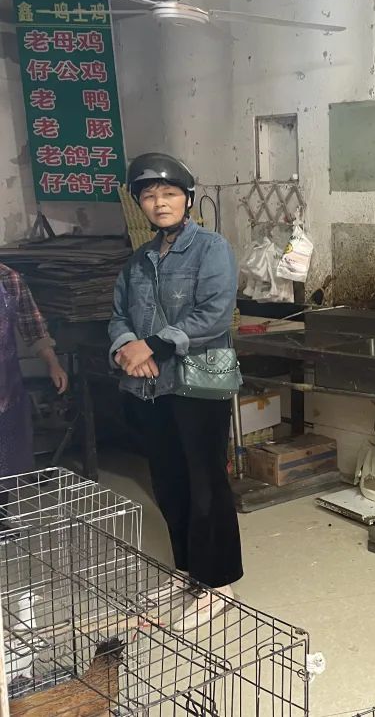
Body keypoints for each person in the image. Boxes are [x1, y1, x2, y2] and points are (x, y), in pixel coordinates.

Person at [108, 152, 242, 632]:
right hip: (151, 387)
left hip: (199, 384)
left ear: (187, 199)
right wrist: (126, 348)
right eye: (149, 196)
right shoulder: (138, 261)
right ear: (140, 204)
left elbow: (214, 314)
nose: (159, 203)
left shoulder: (211, 249)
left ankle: (218, 583)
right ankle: (188, 570)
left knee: (205, 482)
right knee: (168, 481)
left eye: (169, 194)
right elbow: (119, 315)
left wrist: (152, 346)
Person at [0, 262, 68, 478]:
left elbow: (34, 328)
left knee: (5, 467)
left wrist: (53, 364)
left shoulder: (9, 279)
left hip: (4, 388)